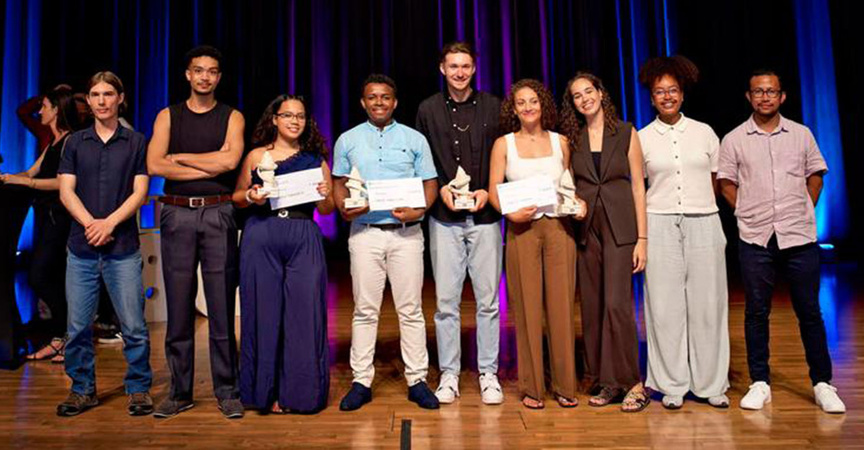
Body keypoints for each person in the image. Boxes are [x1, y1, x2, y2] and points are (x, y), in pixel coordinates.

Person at [717, 69, 845, 414]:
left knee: (810, 312)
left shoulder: (801, 134)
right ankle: (760, 382)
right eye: (758, 91)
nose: (764, 97)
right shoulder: (734, 139)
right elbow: (725, 182)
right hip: (756, 237)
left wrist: (803, 209)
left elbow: (815, 174)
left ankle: (822, 383)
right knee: (757, 312)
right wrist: (745, 211)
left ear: (782, 96)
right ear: (749, 97)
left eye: (771, 91)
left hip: (798, 235)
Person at [146, 45, 245, 419]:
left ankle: (227, 389)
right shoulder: (168, 116)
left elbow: (231, 161)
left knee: (221, 304)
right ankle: (180, 390)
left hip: (218, 212)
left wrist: (181, 158)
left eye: (212, 71)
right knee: (179, 304)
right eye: (198, 70)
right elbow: (155, 164)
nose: (205, 77)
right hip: (176, 213)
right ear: (188, 74)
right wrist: (209, 165)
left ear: (218, 77)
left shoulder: (231, 116)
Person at [333, 74, 440, 411]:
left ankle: (417, 379)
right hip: (365, 234)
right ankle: (361, 380)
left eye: (385, 97)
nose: (379, 102)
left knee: (410, 310)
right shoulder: (347, 140)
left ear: (395, 102)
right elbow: (338, 183)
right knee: (365, 311)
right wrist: (344, 209)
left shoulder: (415, 139)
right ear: (363, 102)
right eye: (372, 97)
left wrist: (418, 209)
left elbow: (430, 183)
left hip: (406, 235)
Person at [55, 71, 153, 416]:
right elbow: (66, 190)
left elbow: (140, 192)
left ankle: (139, 388)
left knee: (134, 326)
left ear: (120, 98)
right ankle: (82, 390)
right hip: (81, 248)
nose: (101, 101)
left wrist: (109, 223)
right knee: (78, 327)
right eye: (94, 94)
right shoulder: (75, 142)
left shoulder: (137, 141)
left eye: (108, 94)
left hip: (122, 248)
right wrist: (91, 225)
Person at [637, 56, 730, 409]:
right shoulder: (642, 138)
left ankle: (710, 384)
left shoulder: (704, 132)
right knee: (664, 305)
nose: (667, 96)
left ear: (683, 94)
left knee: (708, 303)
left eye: (673, 90)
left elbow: (715, 180)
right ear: (651, 98)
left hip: (703, 219)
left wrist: (698, 206)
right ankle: (671, 384)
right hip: (659, 221)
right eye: (660, 92)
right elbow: (639, 187)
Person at [415, 42, 504, 405]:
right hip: (444, 218)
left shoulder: (495, 106)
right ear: (442, 68)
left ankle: (488, 373)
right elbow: (424, 163)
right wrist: (440, 193)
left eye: (466, 66)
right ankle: (449, 373)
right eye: (453, 66)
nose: (460, 72)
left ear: (474, 68)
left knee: (489, 300)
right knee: (446, 302)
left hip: (485, 217)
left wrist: (490, 192)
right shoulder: (427, 109)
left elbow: (504, 156)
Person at [233, 95, 333, 414]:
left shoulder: (316, 159)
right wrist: (250, 195)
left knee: (305, 315)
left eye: (300, 116)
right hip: (262, 233)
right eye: (287, 115)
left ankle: (300, 395)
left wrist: (325, 195)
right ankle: (264, 393)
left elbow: (327, 208)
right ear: (274, 119)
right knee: (263, 312)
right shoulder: (256, 156)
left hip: (303, 235)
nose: (294, 121)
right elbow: (237, 197)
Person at [488, 79, 584, 409]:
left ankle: (565, 385)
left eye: (533, 101)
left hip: (559, 228)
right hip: (522, 231)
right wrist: (510, 213)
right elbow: (493, 190)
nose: (528, 107)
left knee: (560, 308)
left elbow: (571, 187)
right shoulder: (504, 144)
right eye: (521, 103)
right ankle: (532, 387)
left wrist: (579, 205)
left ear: (543, 104)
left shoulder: (562, 143)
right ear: (513, 109)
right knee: (527, 309)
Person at [559, 72, 650, 412]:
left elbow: (639, 187)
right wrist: (573, 204)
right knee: (594, 307)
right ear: (573, 104)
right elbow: (567, 185)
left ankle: (633, 383)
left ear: (601, 92)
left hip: (621, 228)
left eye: (589, 91)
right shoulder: (573, 139)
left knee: (617, 305)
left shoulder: (626, 132)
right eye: (577, 95)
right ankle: (606, 380)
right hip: (586, 229)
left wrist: (643, 239)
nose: (585, 99)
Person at [1, 86, 81, 364]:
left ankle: (70, 337)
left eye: (45, 105)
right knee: (50, 277)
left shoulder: (71, 141)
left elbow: (62, 181)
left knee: (41, 276)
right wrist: (8, 177)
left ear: (57, 109)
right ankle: (62, 338)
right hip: (46, 217)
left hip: (60, 219)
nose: (40, 110)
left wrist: (24, 182)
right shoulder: (53, 142)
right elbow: (32, 171)